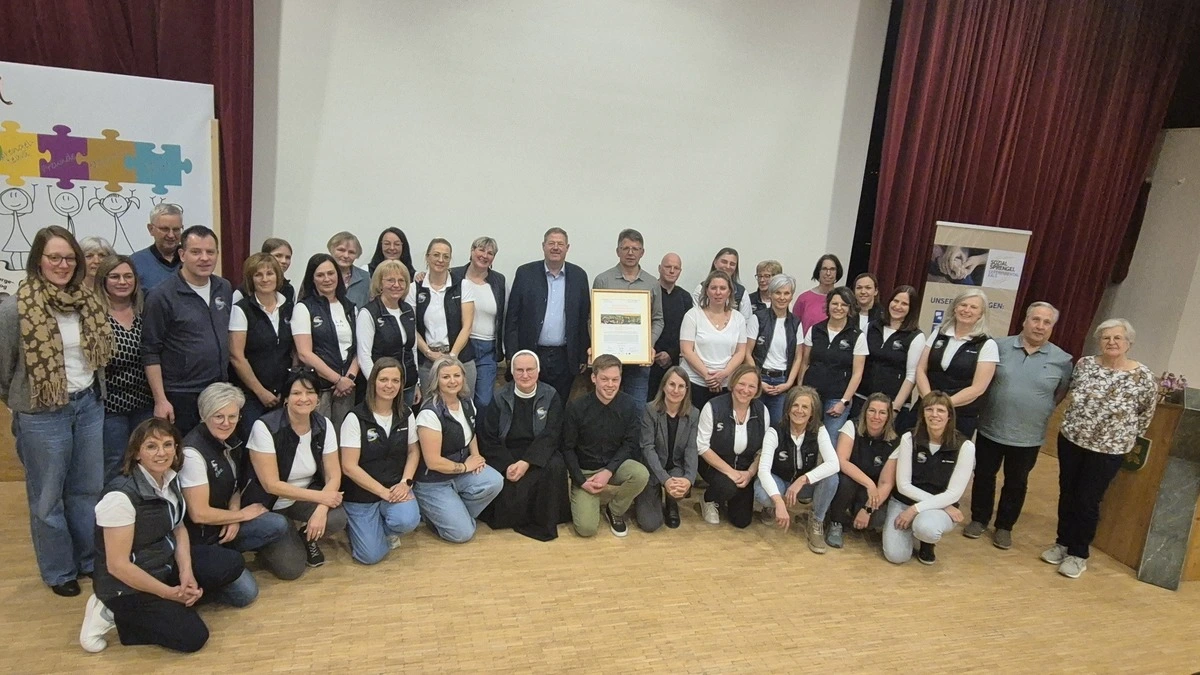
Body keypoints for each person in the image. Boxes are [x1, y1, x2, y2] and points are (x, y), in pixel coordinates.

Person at [0, 226, 112, 597]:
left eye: (69, 258)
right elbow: (4, 370)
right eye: (54, 258)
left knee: (87, 491)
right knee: (48, 498)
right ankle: (59, 570)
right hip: (42, 414)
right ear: (39, 260)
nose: (63, 265)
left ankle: (87, 561)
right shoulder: (15, 309)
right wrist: (23, 402)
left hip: (88, 405)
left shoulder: (88, 302)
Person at [80, 418, 248, 654]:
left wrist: (187, 574)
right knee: (193, 637)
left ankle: (172, 604)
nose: (162, 453)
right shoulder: (119, 497)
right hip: (126, 587)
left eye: (168, 445)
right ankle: (111, 612)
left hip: (162, 565)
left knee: (231, 563)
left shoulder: (169, 478)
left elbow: (178, 528)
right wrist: (168, 593)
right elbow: (118, 566)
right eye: (151, 446)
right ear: (136, 453)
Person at [1042, 319, 1156, 579]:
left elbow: (1145, 414)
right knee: (1068, 493)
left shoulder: (1143, 376)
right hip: (1072, 440)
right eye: (1106, 338)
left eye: (1117, 338)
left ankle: (1078, 554)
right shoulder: (1085, 365)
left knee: (1088, 500)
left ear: (1129, 343)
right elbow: (1072, 394)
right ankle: (1062, 543)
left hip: (1109, 449)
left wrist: (1123, 436)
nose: (1111, 342)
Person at [965, 302, 1073, 549]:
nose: (1040, 326)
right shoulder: (998, 346)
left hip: (1028, 435)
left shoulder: (1063, 360)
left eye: (1047, 322)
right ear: (1024, 321)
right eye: (1035, 319)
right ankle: (979, 519)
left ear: (1052, 327)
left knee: (1016, 482)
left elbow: (1060, 393)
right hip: (991, 427)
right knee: (983, 475)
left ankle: (1004, 527)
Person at [178, 384, 292, 594]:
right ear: (204, 415)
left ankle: (229, 556)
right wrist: (240, 516)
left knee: (278, 524)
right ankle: (206, 572)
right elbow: (199, 514)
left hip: (224, 524)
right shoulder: (192, 453)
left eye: (232, 416)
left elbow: (235, 487)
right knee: (246, 594)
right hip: (200, 539)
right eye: (218, 417)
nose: (226, 423)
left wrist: (233, 514)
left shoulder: (231, 440)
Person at [242, 369, 347, 570]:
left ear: (318, 398)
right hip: (270, 503)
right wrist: (321, 497)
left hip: (303, 498)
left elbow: (334, 475)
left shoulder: (324, 425)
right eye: (296, 393)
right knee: (291, 569)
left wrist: (321, 509)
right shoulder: (265, 427)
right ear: (286, 399)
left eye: (310, 393)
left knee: (337, 517)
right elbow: (271, 485)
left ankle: (305, 536)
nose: (304, 398)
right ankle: (271, 539)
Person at [141, 225, 232, 435]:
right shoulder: (161, 296)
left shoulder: (224, 287)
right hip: (181, 394)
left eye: (210, 252)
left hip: (218, 390)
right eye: (196, 252)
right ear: (182, 255)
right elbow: (150, 351)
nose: (204, 258)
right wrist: (160, 400)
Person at [478, 350, 569, 541]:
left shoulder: (551, 395)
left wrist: (527, 462)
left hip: (539, 449)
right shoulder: (500, 397)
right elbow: (489, 438)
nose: (525, 375)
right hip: (507, 451)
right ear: (512, 372)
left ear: (538, 371)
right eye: (519, 370)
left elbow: (552, 434)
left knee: (556, 465)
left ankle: (546, 521)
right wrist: (508, 465)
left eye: (530, 369)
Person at [413, 356, 504, 543]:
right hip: (433, 481)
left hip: (459, 473)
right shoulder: (429, 413)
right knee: (463, 534)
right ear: (436, 380)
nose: (452, 381)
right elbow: (433, 462)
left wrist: (476, 456)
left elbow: (471, 432)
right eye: (446, 377)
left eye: (457, 375)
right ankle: (433, 514)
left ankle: (453, 513)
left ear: (463, 377)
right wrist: (465, 467)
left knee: (495, 481)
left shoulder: (466, 402)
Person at [340, 357, 422, 564]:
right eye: (383, 379)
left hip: (394, 487)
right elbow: (349, 467)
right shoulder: (355, 417)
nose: (389, 385)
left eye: (395, 380)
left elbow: (413, 451)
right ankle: (361, 529)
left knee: (408, 520)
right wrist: (382, 492)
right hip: (361, 495)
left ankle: (377, 529)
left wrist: (405, 483)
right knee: (370, 556)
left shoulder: (406, 414)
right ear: (373, 382)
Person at [882, 392, 976, 565]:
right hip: (907, 501)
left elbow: (954, 494)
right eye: (929, 409)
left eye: (940, 410)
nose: (934, 415)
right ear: (923, 414)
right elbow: (903, 486)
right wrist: (943, 504)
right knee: (896, 556)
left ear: (949, 416)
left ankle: (926, 542)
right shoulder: (909, 438)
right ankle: (909, 531)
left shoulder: (965, 446)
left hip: (938, 508)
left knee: (927, 528)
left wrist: (915, 509)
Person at [562, 354, 650, 537]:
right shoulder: (576, 408)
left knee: (641, 474)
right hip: (585, 472)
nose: (610, 385)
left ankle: (615, 509)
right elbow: (567, 448)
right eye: (604, 379)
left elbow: (630, 443)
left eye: (615, 379)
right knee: (586, 529)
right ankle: (586, 497)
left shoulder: (629, 405)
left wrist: (608, 471)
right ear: (594, 378)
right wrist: (581, 481)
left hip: (614, 466)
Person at [505, 227, 591, 401]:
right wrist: (512, 354)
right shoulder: (525, 273)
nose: (556, 247)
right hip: (531, 353)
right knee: (528, 403)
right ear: (543, 246)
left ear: (567, 248)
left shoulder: (579, 276)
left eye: (560, 244)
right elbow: (512, 317)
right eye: (551, 243)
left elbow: (583, 318)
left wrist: (582, 354)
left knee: (558, 404)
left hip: (565, 357)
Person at [755, 385, 839, 552]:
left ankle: (816, 521)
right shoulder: (775, 431)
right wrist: (779, 502)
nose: (799, 411)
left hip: (803, 486)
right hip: (780, 481)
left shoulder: (819, 430)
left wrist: (803, 479)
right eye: (795, 405)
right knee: (763, 493)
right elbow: (763, 470)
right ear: (788, 409)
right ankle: (770, 507)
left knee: (832, 478)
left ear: (812, 412)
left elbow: (834, 463)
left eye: (805, 407)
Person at [95, 254, 154, 483]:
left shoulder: (145, 309)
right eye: (115, 276)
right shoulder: (94, 314)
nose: (122, 282)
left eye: (128, 276)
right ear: (103, 280)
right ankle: (113, 503)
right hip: (110, 406)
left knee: (146, 459)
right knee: (115, 462)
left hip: (145, 401)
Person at [592, 229, 664, 410]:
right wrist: (597, 345)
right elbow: (593, 320)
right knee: (605, 408)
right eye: (625, 248)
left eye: (635, 249)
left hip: (639, 361)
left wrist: (647, 345)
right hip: (607, 359)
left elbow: (658, 319)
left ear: (642, 252)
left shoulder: (652, 283)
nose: (630, 253)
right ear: (618, 251)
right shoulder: (603, 280)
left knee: (636, 409)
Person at [915, 288, 999, 437]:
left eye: (973, 307)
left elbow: (978, 388)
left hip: (960, 416)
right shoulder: (939, 333)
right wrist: (930, 401)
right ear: (954, 308)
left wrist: (943, 405)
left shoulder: (987, 344)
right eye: (963, 305)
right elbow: (921, 369)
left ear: (981, 314)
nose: (966, 310)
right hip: (927, 408)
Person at [229, 252, 294, 435]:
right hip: (252, 396)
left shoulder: (289, 307)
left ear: (278, 276)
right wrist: (261, 392)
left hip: (283, 393)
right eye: (258, 275)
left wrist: (288, 388)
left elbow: (294, 351)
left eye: (270, 273)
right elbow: (236, 356)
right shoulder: (241, 310)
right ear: (251, 279)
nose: (265, 279)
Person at [292, 253, 359, 427]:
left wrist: (349, 379)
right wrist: (337, 380)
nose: (327, 279)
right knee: (318, 433)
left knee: (343, 435)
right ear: (312, 279)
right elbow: (304, 353)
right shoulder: (304, 308)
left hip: (347, 388)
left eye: (331, 273)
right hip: (318, 389)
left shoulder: (350, 307)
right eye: (320, 275)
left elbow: (359, 348)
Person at [828, 393, 900, 547]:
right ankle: (836, 522)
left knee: (876, 521)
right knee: (845, 481)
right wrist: (869, 483)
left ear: (889, 416)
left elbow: (886, 483)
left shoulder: (894, 441)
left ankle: (854, 514)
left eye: (882, 412)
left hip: (870, 493)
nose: (876, 417)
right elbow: (842, 461)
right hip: (850, 482)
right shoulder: (852, 426)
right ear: (865, 411)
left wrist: (867, 510)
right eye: (872, 411)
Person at [633, 366, 698, 531]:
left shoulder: (693, 414)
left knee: (680, 485)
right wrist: (665, 480)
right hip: (652, 470)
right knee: (650, 524)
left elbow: (691, 448)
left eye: (681, 386)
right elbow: (647, 448)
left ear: (687, 389)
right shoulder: (650, 410)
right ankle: (647, 496)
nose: (676, 390)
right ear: (663, 386)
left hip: (676, 468)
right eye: (672, 384)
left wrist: (689, 479)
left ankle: (671, 502)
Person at [799, 286, 867, 439]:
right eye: (835, 303)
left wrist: (844, 402)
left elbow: (857, 374)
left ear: (849, 308)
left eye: (844, 305)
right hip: (811, 395)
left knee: (830, 442)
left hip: (837, 399)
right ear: (828, 305)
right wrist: (800, 391)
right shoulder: (815, 330)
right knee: (806, 437)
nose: (838, 308)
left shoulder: (857, 336)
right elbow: (804, 363)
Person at [411, 238, 477, 394]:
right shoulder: (414, 289)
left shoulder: (463, 286)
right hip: (428, 362)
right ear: (427, 257)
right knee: (431, 405)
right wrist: (428, 353)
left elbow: (467, 326)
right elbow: (411, 327)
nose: (440, 260)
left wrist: (452, 356)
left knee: (464, 405)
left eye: (446, 256)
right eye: (436, 255)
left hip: (460, 359)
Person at [679, 270, 749, 410]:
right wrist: (707, 376)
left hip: (726, 383)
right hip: (695, 382)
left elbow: (740, 352)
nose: (718, 292)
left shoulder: (738, 318)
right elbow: (686, 350)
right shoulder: (693, 315)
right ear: (706, 291)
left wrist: (723, 375)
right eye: (713, 288)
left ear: (729, 292)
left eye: (722, 288)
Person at [451, 236, 506, 412]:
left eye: (490, 253)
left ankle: (479, 431)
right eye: (481, 250)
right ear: (472, 251)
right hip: (462, 346)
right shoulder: (453, 275)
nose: (484, 255)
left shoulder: (499, 281)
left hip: (488, 351)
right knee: (460, 397)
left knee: (484, 401)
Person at [860, 285, 925, 430]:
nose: (898, 306)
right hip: (862, 399)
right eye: (895, 301)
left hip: (892, 406)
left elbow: (911, 375)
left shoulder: (916, 336)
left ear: (912, 308)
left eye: (904, 303)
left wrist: (895, 409)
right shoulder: (871, 327)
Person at [357, 260, 420, 406]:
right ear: (380, 284)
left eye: (401, 281)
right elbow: (364, 357)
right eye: (390, 280)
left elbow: (413, 349)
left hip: (407, 386)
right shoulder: (368, 313)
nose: (396, 285)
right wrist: (377, 385)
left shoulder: (408, 310)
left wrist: (417, 382)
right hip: (382, 389)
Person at [745, 273, 802, 423]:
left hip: (782, 382)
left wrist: (788, 384)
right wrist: (758, 380)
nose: (782, 297)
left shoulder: (796, 323)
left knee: (777, 425)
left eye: (786, 293)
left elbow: (798, 357)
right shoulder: (758, 318)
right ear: (770, 294)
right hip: (759, 379)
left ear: (791, 296)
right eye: (778, 293)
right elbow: (747, 352)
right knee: (754, 422)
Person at [647, 252, 694, 400]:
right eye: (668, 267)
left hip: (673, 362)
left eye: (676, 268)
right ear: (659, 268)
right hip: (648, 359)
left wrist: (671, 354)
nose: (672, 271)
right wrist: (653, 351)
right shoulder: (647, 293)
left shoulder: (685, 298)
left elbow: (689, 331)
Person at [129, 202, 183, 290]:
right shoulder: (135, 262)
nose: (171, 235)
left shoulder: (193, 259)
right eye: (165, 229)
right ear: (151, 229)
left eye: (176, 229)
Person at [691, 247, 752, 319]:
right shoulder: (700, 289)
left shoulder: (741, 292)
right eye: (724, 262)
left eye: (732, 264)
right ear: (715, 262)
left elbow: (746, 320)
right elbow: (696, 317)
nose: (728, 266)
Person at [792, 254, 843, 334]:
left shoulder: (843, 299)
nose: (828, 273)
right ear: (818, 271)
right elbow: (793, 326)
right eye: (824, 269)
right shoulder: (804, 298)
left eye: (832, 269)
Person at [327, 231, 370, 309]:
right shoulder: (319, 274)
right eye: (341, 250)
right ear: (331, 250)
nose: (346, 255)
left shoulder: (365, 278)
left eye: (351, 252)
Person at [261, 237, 296, 305]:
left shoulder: (289, 289)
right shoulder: (249, 288)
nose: (284, 261)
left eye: (288, 257)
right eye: (278, 256)